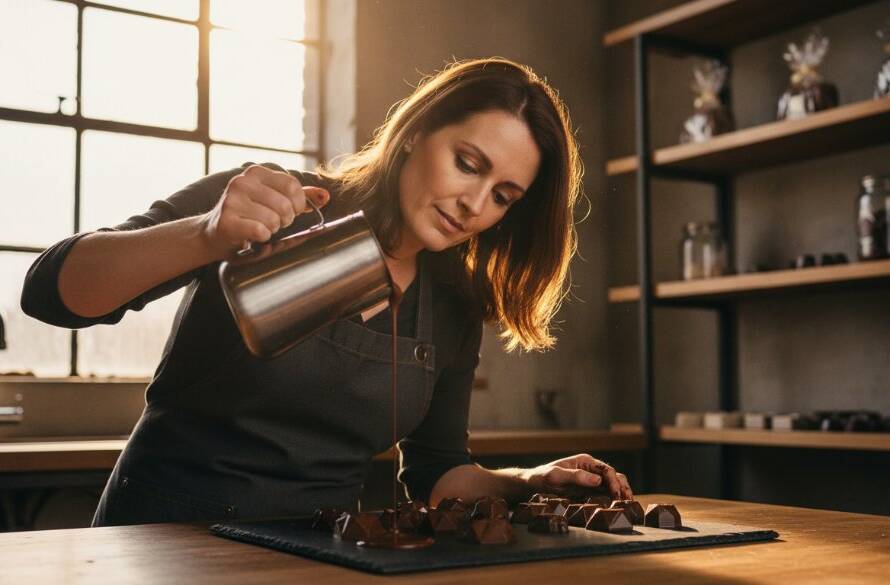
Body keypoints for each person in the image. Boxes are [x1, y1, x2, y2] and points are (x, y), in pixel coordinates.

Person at [22, 58, 633, 527]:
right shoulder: (275, 203)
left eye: (503, 196)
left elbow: (437, 473)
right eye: (468, 164)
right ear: (417, 133)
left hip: (314, 556)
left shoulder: (451, 301)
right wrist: (209, 234)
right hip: (160, 540)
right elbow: (51, 292)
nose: (474, 204)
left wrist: (529, 479)